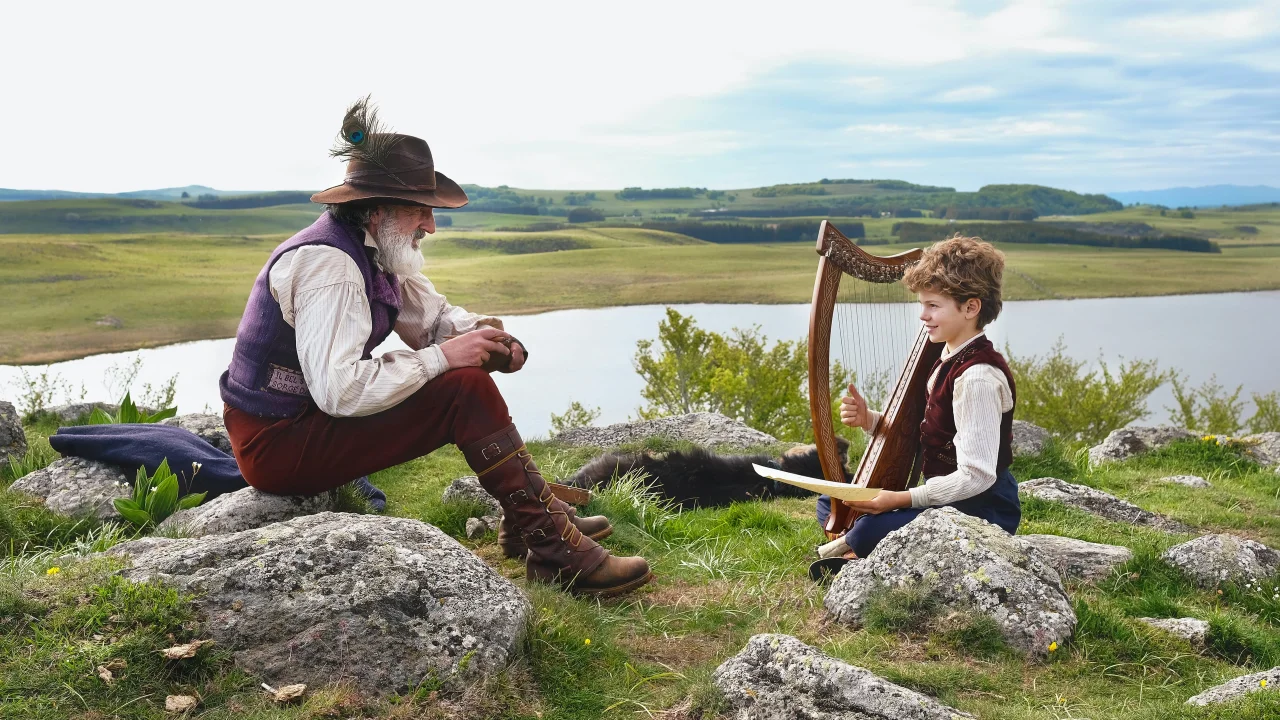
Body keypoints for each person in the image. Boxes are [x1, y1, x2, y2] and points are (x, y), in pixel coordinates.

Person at [218, 98, 652, 597]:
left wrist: (486, 336)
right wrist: (446, 357)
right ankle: (554, 547)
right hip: (277, 443)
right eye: (419, 210)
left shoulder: (375, 249)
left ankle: (533, 524)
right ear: (377, 209)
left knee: (465, 376)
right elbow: (339, 391)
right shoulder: (330, 266)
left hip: (304, 425)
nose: (430, 225)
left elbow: (434, 321)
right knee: (462, 388)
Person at [813, 234, 1021, 567]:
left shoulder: (977, 379)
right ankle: (855, 547)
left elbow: (977, 476)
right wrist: (870, 419)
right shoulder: (948, 356)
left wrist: (901, 499)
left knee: (867, 527)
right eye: (922, 305)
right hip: (948, 499)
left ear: (971, 308)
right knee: (832, 500)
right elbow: (932, 428)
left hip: (981, 510)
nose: (923, 316)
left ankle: (855, 549)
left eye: (933, 306)